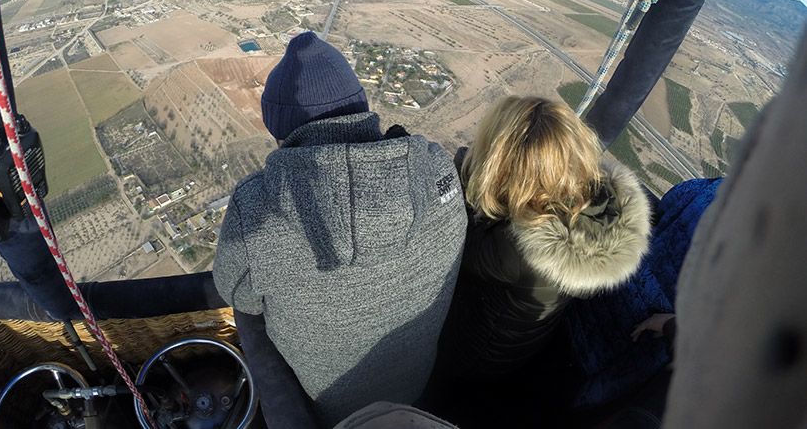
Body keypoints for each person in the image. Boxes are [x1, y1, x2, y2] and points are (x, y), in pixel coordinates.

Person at [213, 32, 467, 427]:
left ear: (279, 128)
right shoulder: (437, 169)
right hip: (416, 391)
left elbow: (235, 294)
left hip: (328, 410)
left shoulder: (256, 208)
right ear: (361, 110)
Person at [426, 96, 651, 424]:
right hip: (525, 342)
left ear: (502, 166)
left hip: (478, 351)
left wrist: (466, 169)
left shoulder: (519, 251)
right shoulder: (595, 201)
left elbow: (455, 244)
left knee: (439, 386)